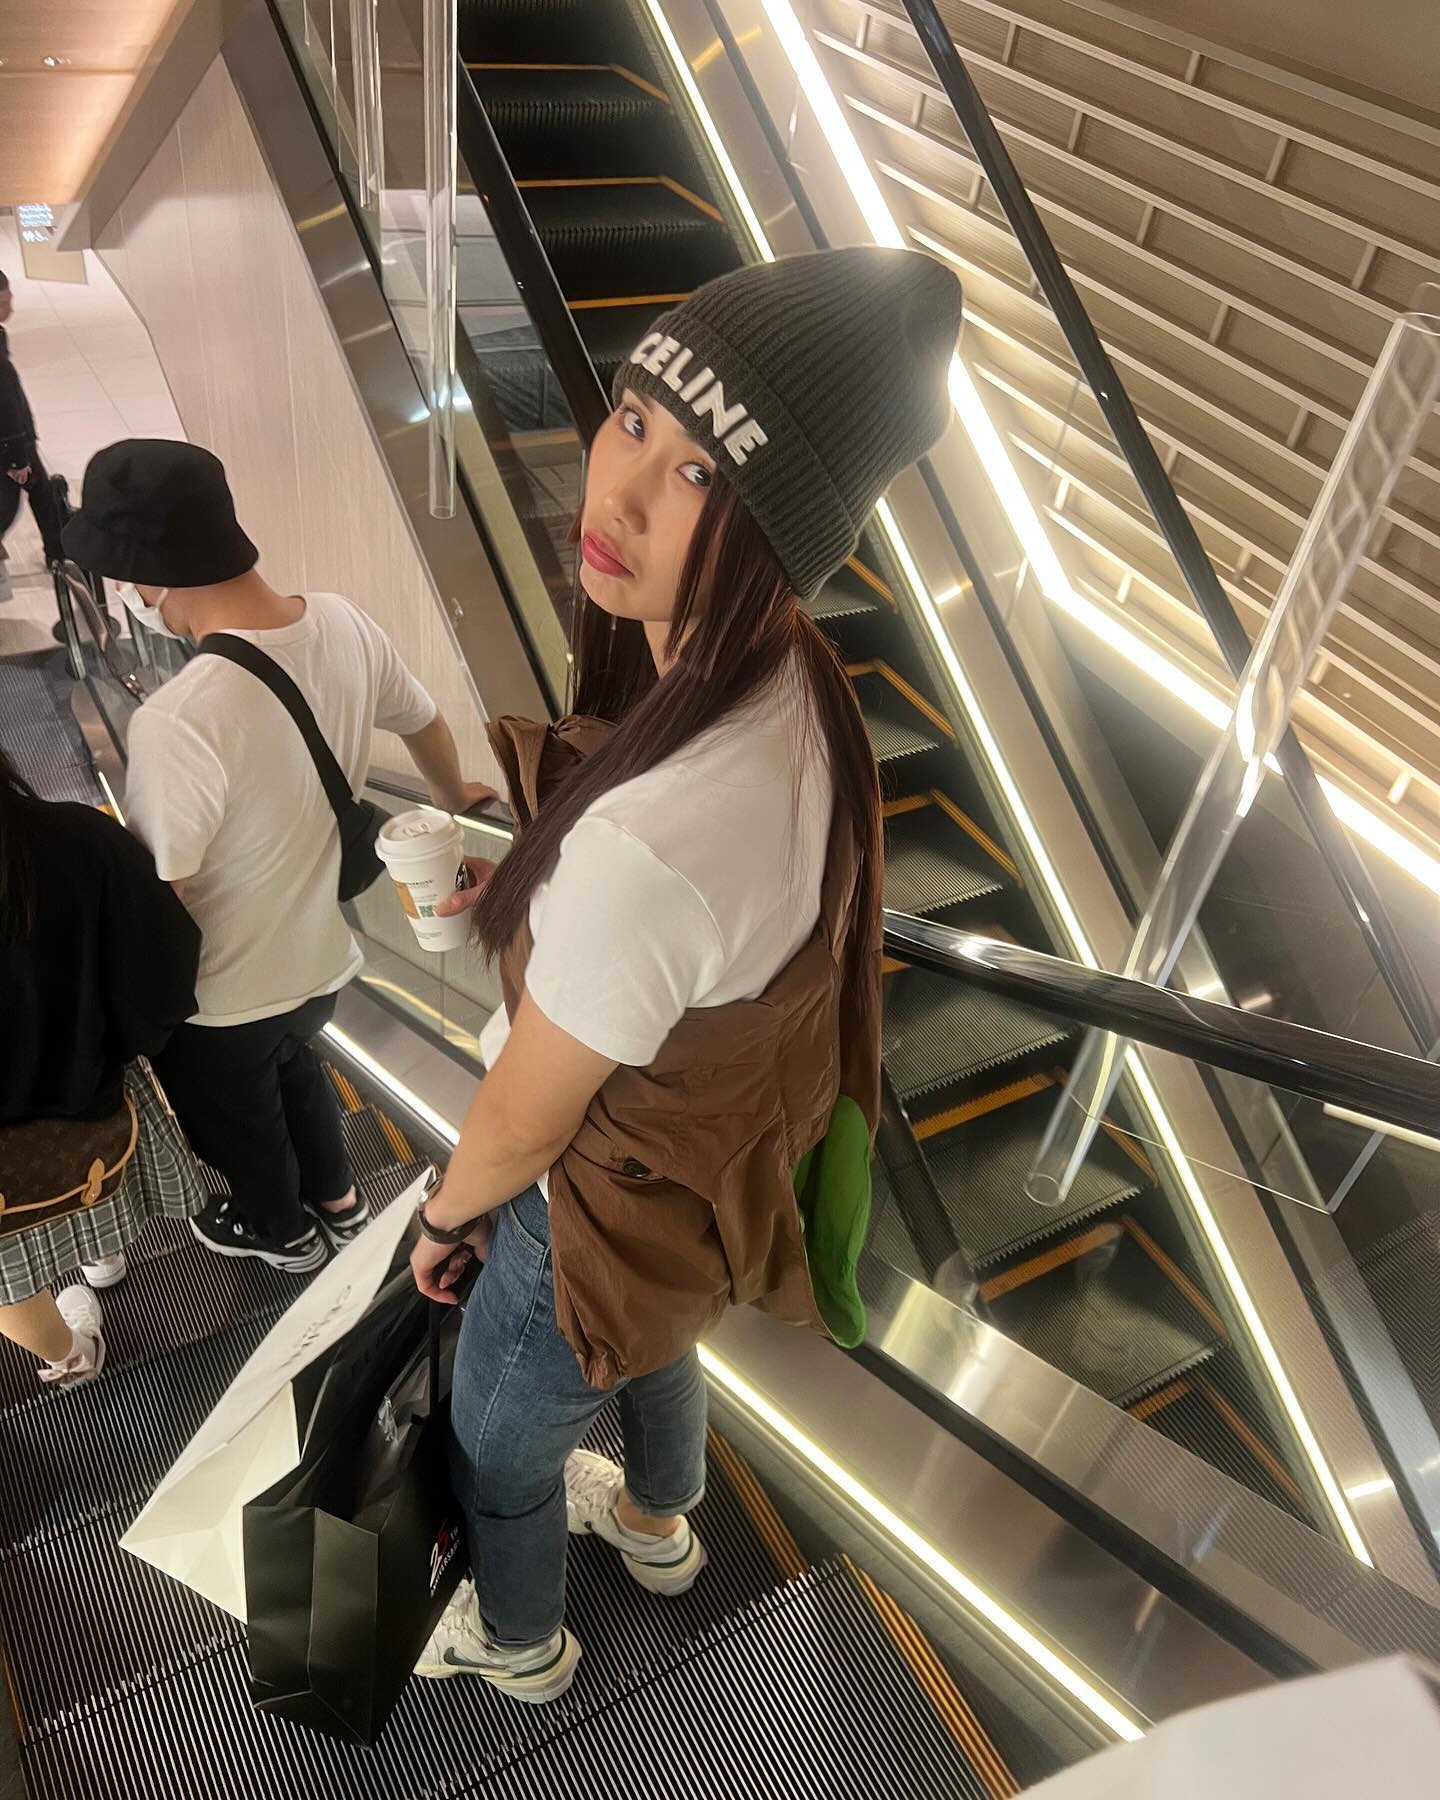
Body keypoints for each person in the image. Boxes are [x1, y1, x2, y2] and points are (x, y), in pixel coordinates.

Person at [407, 248, 962, 1702]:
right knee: (658, 1340)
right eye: (636, 418)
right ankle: (660, 1526)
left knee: (496, 1449)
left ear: (783, 533)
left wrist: (445, 1220)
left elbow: (520, 1125)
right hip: (698, 1204)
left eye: (705, 473)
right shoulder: (802, 687)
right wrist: (538, 905)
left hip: (580, 1220)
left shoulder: (654, 839)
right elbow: (685, 946)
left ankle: (521, 1644)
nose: (623, 494)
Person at [60, 441, 496, 1275]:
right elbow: (424, 721)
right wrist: (451, 798)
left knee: (237, 1119)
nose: (129, 598)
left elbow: (163, 893)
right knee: (298, 1071)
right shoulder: (342, 622)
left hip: (223, 997)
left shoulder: (180, 719)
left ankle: (279, 1231)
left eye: (126, 580)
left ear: (152, 577)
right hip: (322, 964)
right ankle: (341, 1202)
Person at [0, 738, 205, 1387]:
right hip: (88, 1095)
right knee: (99, 1177)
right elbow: (166, 978)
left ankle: (71, 1357)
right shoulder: (82, 838)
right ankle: (104, 1258)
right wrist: (109, 1041)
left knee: (6, 1286)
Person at [0, 271, 66, 570]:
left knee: (42, 494)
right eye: (4, 301)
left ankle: (58, 551)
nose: (11, 305)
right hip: (12, 442)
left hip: (15, 439)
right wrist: (17, 457)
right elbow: (6, 403)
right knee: (10, 504)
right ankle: (58, 553)